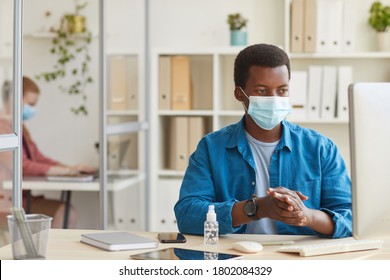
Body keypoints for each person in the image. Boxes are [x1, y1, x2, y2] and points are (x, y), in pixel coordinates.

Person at [174, 44, 352, 238]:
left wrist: (308, 215)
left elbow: (350, 218)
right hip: (236, 259)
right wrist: (256, 208)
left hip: (299, 259)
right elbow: (187, 215)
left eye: (282, 90)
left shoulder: (320, 148)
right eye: (262, 91)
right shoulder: (211, 148)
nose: (274, 99)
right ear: (239, 93)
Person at [0, 76, 97, 228]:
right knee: (64, 212)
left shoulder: (20, 128)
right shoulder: (2, 129)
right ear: (14, 99)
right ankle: (50, 252)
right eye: (30, 104)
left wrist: (71, 169)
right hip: (7, 203)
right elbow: (22, 166)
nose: (32, 109)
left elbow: (38, 158)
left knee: (66, 211)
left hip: (23, 198)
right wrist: (64, 171)